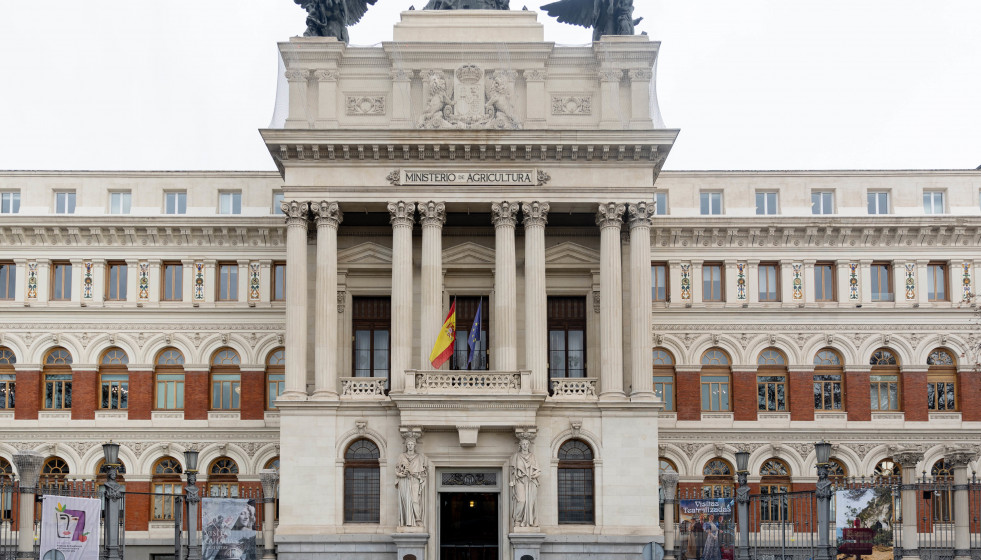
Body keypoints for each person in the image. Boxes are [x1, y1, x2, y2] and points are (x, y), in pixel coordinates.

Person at [395, 436, 429, 527]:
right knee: (406, 501)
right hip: (404, 480)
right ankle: (407, 521)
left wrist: (417, 475)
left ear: (414, 445)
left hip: (415, 480)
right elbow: (397, 470)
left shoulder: (419, 457)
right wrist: (401, 475)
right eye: (408, 444)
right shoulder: (401, 456)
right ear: (406, 445)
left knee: (415, 500)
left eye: (412, 444)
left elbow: (423, 473)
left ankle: (417, 518)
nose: (410, 446)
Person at [509, 437, 541, 527]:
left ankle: (528, 521)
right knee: (522, 501)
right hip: (519, 480)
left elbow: (538, 470)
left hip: (531, 481)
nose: (525, 446)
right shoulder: (516, 456)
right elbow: (512, 470)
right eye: (523, 444)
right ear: (520, 445)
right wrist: (511, 481)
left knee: (531, 502)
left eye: (527, 444)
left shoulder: (532, 456)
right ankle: (518, 520)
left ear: (529, 445)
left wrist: (535, 475)